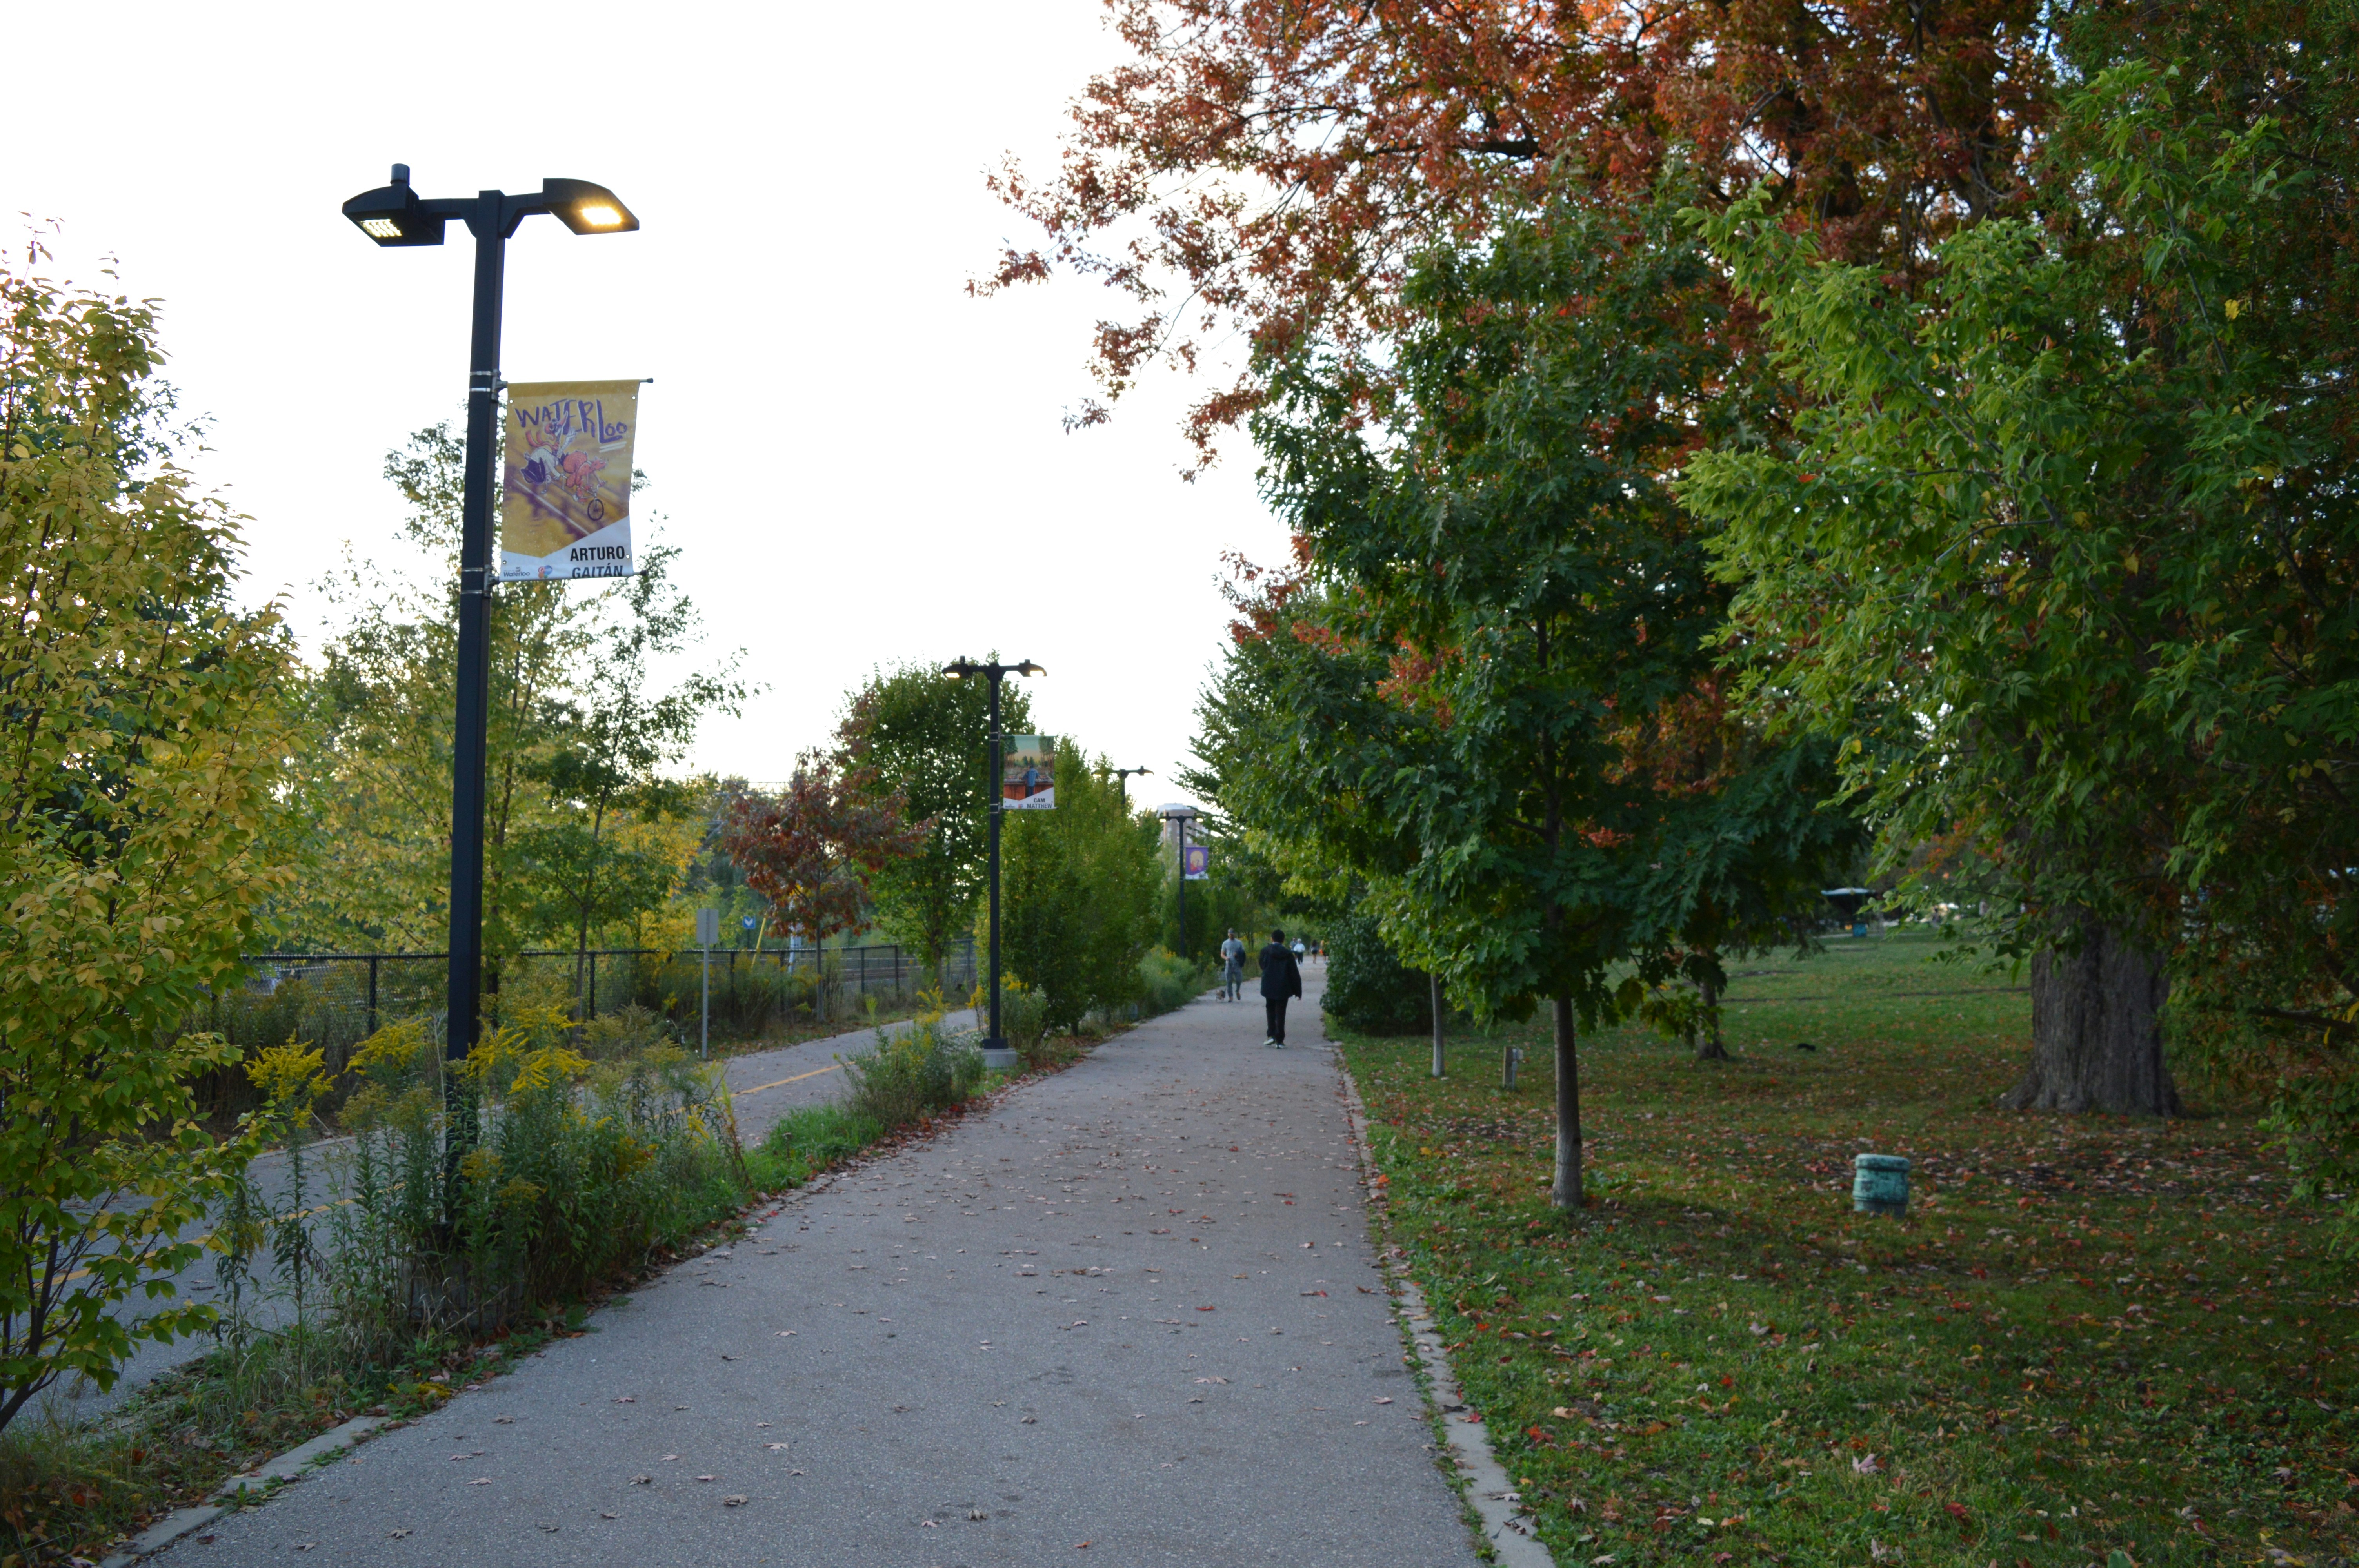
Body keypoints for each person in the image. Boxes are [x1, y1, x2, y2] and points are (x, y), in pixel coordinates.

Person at [1259, 927, 1303, 1048]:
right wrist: (1298, 992)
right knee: (1281, 1013)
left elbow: (1262, 965)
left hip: (1269, 986)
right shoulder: (1288, 954)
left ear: (1272, 939)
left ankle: (1271, 1035)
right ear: (1283, 940)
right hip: (1283, 987)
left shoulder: (1265, 951)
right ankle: (1280, 1040)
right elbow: (1294, 973)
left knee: (1270, 1010)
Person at [1219, 929, 1247, 1002]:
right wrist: (1226, 958)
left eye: (1233, 934)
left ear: (1235, 934)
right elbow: (1222, 954)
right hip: (1229, 964)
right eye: (1230, 934)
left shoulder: (1239, 943)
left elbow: (1243, 952)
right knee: (1229, 981)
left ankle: (1237, 991)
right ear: (1228, 934)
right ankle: (1231, 997)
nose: (1231, 935)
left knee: (1239, 980)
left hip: (1237, 964)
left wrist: (1238, 954)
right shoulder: (1225, 943)